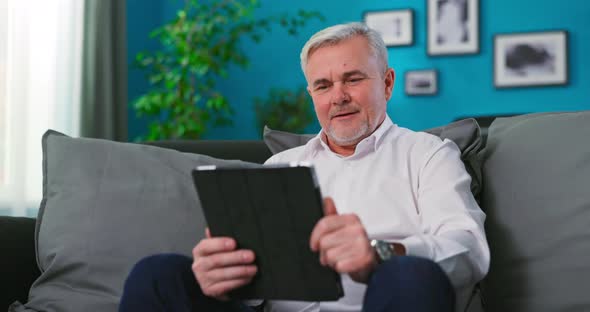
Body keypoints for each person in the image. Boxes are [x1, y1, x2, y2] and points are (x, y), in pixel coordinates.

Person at [119, 22, 489, 312]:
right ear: (312, 95)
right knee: (157, 275)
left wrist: (381, 254)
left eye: (353, 78)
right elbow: (251, 292)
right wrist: (221, 276)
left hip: (383, 304)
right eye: (323, 85)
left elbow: (468, 249)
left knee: (411, 276)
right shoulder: (280, 166)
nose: (338, 96)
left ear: (387, 83)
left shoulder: (427, 154)